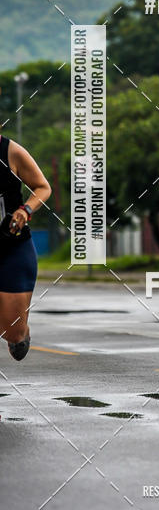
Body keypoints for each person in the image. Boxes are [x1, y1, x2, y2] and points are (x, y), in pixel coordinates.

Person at [0, 134, 51, 360]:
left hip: (12, 246)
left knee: (13, 333)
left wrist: (25, 210)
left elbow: (42, 187)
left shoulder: (11, 151)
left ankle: (21, 332)